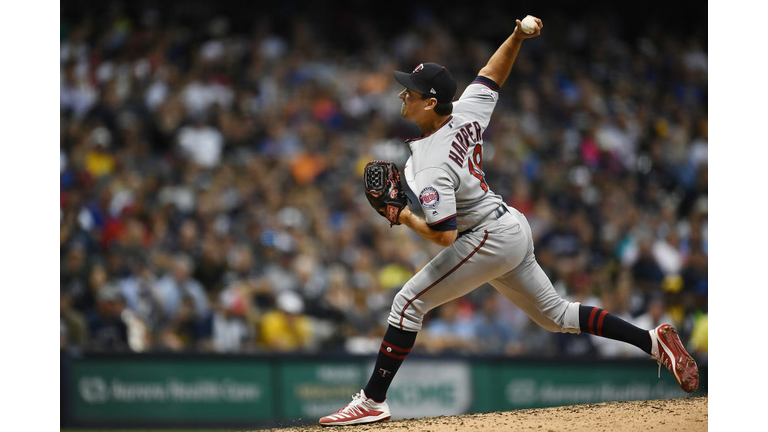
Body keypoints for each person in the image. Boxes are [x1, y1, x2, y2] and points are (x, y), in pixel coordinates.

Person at [319, 15, 699, 426]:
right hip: (508, 225)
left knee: (407, 303)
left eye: (409, 92)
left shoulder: (430, 163)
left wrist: (403, 216)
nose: (401, 96)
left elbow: (445, 237)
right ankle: (652, 342)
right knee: (556, 316)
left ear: (430, 103)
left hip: (486, 236)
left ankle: (373, 400)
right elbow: (491, 75)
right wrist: (517, 36)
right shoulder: (464, 112)